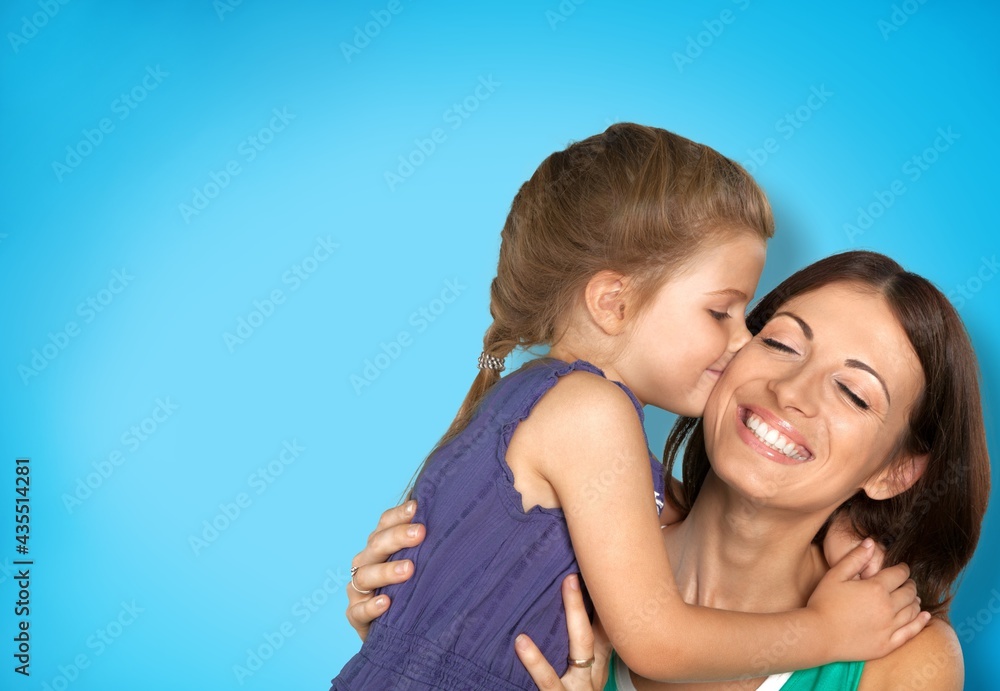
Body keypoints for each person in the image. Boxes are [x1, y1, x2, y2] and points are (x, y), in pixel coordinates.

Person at [331, 124, 927, 691]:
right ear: (613, 302)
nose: (742, 342)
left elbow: (667, 510)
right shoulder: (592, 411)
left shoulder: (559, 408)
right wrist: (826, 631)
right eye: (720, 312)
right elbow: (654, 640)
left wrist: (848, 529)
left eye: (854, 394)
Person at [351, 251, 990, 690]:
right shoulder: (569, 543)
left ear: (896, 472)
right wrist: (408, 621)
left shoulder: (903, 660)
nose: (791, 391)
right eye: (780, 343)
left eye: (853, 393)